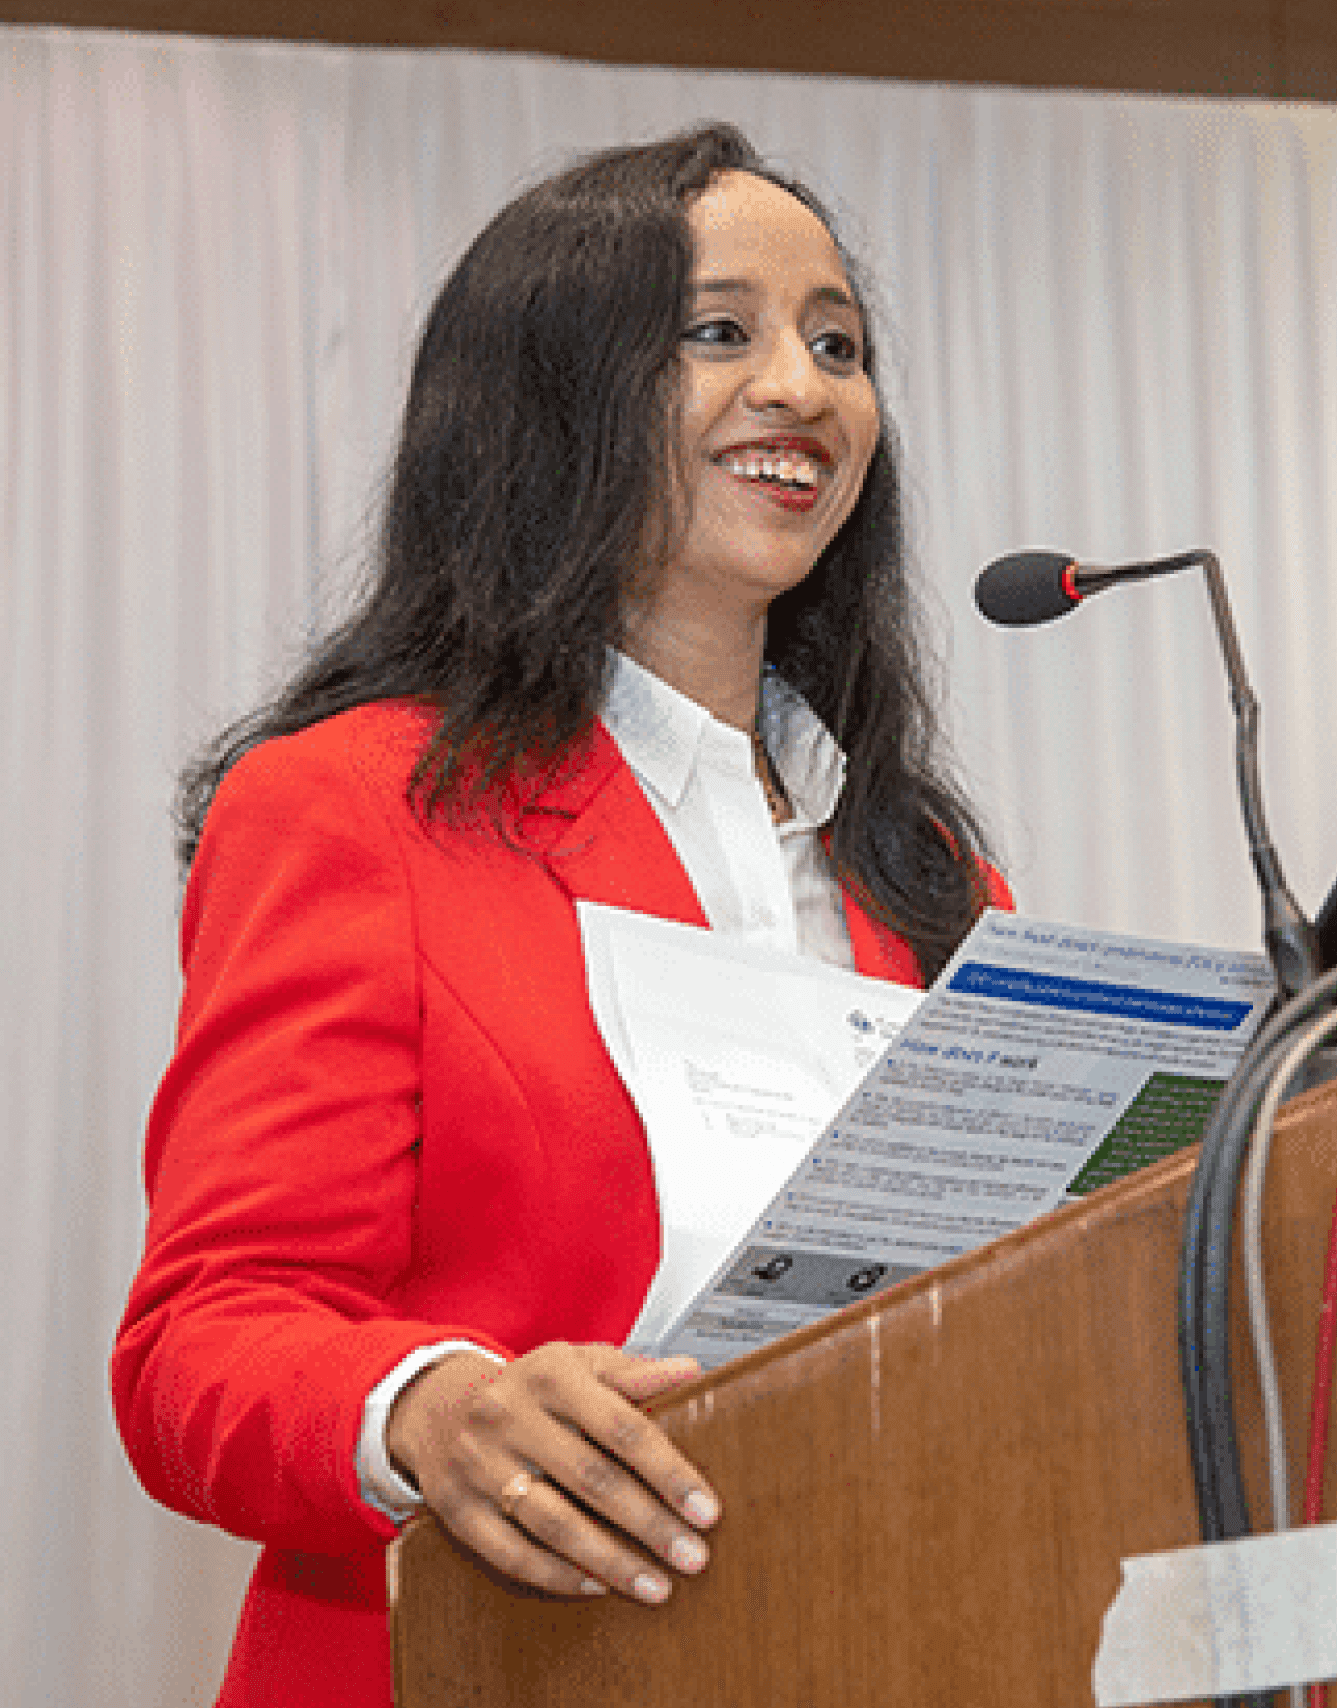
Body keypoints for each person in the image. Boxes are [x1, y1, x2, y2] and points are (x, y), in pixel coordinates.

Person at [111, 122, 1009, 1708]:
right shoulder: (354, 808)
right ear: (551, 397)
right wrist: (432, 1409)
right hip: (485, 1659)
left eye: (838, 344)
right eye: (719, 331)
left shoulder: (928, 868)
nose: (802, 389)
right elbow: (204, 1340)